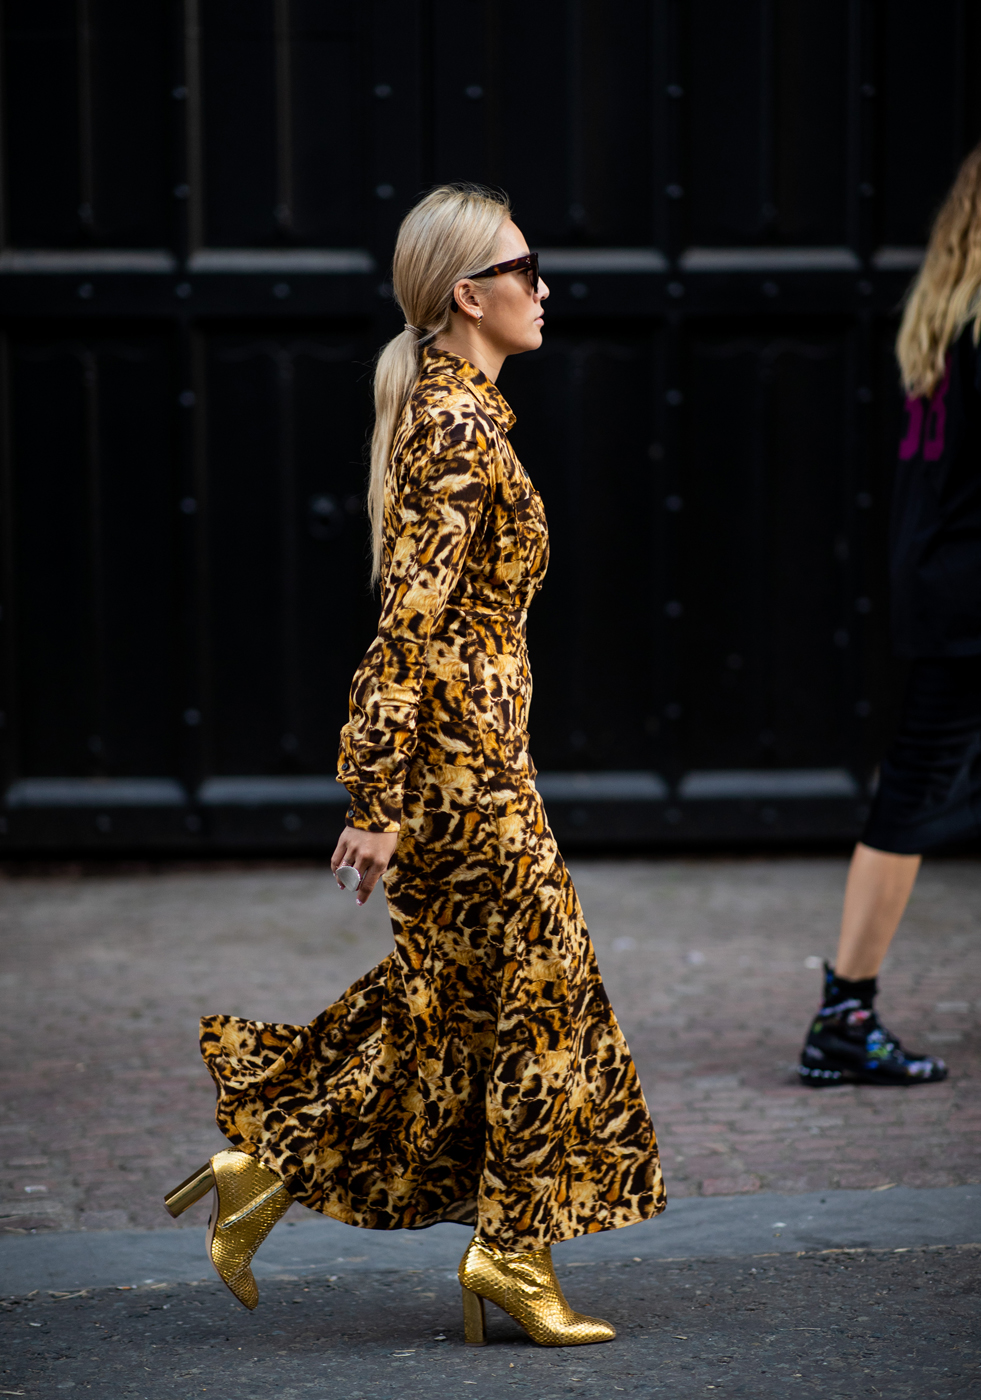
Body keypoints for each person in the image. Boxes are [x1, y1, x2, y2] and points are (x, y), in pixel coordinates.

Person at [164, 183, 665, 1346]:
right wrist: (380, 799)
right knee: (547, 998)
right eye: (525, 267)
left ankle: (262, 1172)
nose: (546, 287)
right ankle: (510, 1253)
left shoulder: (466, 413)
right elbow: (411, 623)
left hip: (476, 762)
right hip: (465, 778)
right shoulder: (451, 425)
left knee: (452, 1014)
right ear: (468, 293)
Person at [799, 145, 981, 1087]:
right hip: (966, 595)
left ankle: (843, 1007)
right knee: (908, 796)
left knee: (910, 789)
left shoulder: (943, 318)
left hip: (941, 585)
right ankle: (843, 1010)